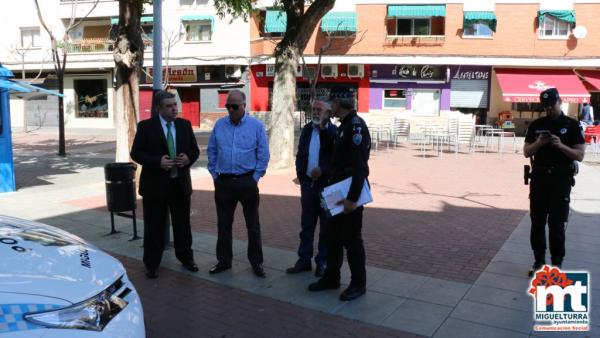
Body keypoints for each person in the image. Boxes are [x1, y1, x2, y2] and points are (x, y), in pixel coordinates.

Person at [308, 87, 371, 301]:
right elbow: (332, 155)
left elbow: (360, 168)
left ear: (338, 103)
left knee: (352, 241)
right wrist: (324, 125)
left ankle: (358, 284)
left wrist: (353, 200)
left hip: (348, 194)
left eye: (331, 103)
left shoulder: (355, 128)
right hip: (336, 191)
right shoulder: (342, 126)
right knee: (332, 237)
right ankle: (331, 277)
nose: (329, 107)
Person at [130, 90, 200, 279]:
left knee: (183, 225)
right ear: (158, 108)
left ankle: (186, 258)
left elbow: (195, 150)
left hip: (179, 185)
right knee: (154, 227)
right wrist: (156, 162)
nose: (174, 109)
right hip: (155, 186)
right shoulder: (146, 127)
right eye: (169, 106)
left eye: (175, 104)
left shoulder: (184, 125)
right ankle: (151, 264)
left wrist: (188, 158)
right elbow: (136, 153)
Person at [207, 90, 270, 277]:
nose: (231, 110)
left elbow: (263, 154)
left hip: (247, 182)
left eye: (235, 106)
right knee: (223, 224)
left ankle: (256, 262)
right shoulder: (219, 125)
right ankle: (224, 261)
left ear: (244, 106)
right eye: (228, 106)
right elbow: (211, 150)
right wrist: (214, 174)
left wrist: (255, 177)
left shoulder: (256, 126)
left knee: (253, 225)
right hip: (224, 182)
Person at [523, 88, 585, 277]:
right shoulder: (537, 125)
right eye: (546, 107)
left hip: (561, 179)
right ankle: (539, 261)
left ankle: (556, 264)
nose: (549, 110)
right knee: (537, 222)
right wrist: (539, 143)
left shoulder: (572, 126)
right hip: (540, 178)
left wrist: (560, 145)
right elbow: (527, 152)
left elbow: (580, 155)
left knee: (557, 224)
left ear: (560, 101)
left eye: (552, 106)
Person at [286, 98, 336, 277]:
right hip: (308, 186)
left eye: (319, 110)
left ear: (328, 113)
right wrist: (301, 176)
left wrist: (322, 170)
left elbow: (336, 161)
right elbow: (300, 154)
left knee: (325, 227)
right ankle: (304, 260)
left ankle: (322, 262)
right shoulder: (307, 130)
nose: (315, 112)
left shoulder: (333, 132)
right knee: (306, 225)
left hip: (326, 187)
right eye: (313, 109)